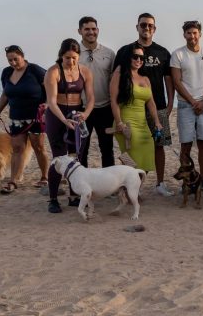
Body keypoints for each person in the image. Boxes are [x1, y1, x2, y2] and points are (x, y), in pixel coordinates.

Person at [115, 13, 174, 196]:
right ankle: (131, 184)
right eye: (143, 25)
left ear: (154, 29)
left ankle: (160, 183)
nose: (146, 28)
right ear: (137, 27)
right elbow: (116, 80)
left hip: (158, 106)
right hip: (131, 109)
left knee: (158, 145)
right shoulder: (125, 51)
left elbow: (169, 80)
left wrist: (170, 104)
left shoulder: (163, 52)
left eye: (150, 25)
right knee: (131, 148)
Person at [43, 39, 95, 213]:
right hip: (57, 115)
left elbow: (91, 97)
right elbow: (50, 101)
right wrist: (64, 120)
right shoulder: (53, 72)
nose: (71, 61)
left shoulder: (85, 71)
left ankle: (74, 196)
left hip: (77, 114)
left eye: (74, 58)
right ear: (61, 56)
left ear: (79, 56)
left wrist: (86, 114)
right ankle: (53, 198)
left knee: (76, 157)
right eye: (67, 58)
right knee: (59, 158)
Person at [0, 45, 48, 193]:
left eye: (15, 59)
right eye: (9, 60)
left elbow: (50, 87)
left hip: (36, 116)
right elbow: (5, 94)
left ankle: (44, 177)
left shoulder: (35, 70)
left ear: (22, 56)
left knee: (39, 148)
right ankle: (13, 181)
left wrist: (48, 104)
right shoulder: (6, 72)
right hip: (16, 117)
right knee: (17, 148)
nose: (13, 63)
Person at [170, 20, 203, 192]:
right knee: (186, 145)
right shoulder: (178, 54)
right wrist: (192, 101)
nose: (192, 36)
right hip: (184, 105)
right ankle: (187, 181)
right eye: (189, 33)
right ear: (184, 35)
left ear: (200, 34)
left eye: (195, 33)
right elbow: (177, 82)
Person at [110, 45, 161, 175]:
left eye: (142, 57)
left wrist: (157, 122)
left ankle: (134, 189)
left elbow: (151, 103)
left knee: (147, 155)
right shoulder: (119, 74)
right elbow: (114, 101)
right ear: (128, 58)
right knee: (130, 160)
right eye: (135, 57)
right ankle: (127, 190)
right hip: (125, 122)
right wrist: (119, 122)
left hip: (143, 125)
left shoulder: (145, 79)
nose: (139, 60)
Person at [77, 16, 116, 168]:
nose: (91, 32)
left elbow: (114, 81)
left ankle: (110, 185)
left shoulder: (109, 53)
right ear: (80, 31)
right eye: (87, 29)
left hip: (105, 109)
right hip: (81, 110)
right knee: (82, 150)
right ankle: (82, 184)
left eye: (93, 29)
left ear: (98, 30)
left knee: (107, 149)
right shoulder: (74, 53)